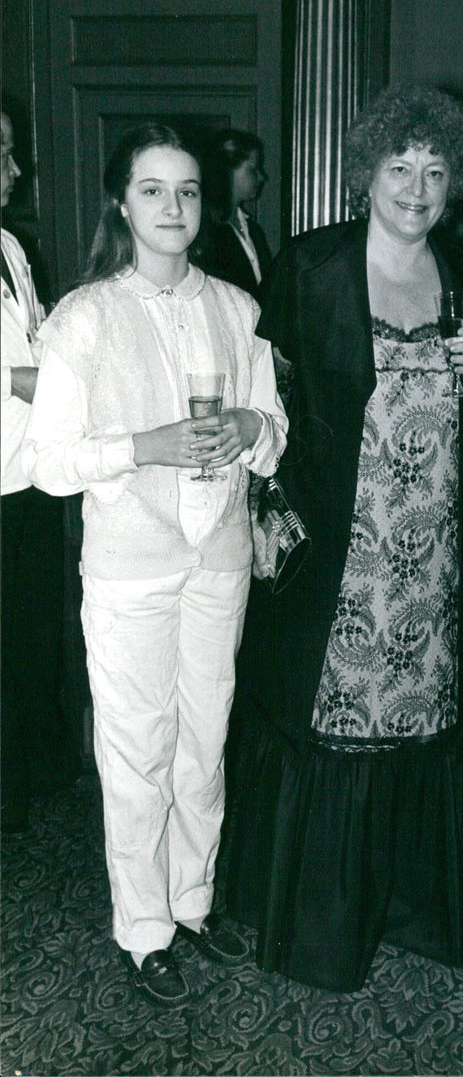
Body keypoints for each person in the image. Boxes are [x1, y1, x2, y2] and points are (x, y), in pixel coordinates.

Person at [224, 85, 463, 992]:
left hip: (437, 546)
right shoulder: (309, 267)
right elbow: (265, 403)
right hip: (338, 545)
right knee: (326, 713)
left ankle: (407, 905)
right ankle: (318, 920)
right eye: (400, 167)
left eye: (435, 170)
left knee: (421, 716)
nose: (417, 187)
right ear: (367, 173)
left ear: (455, 181)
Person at [22, 122, 288, 1009]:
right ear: (121, 202)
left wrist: (250, 429)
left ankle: (194, 901)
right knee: (137, 749)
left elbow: (274, 431)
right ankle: (143, 929)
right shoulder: (84, 316)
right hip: (130, 568)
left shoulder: (240, 309)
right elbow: (50, 461)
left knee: (205, 739)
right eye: (153, 190)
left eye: (187, 191)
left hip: (219, 558)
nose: (173, 208)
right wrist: (150, 444)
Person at [1, 109, 74, 834]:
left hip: (26, 475)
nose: (17, 170)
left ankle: (21, 777)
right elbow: (20, 374)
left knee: (24, 635)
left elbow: (39, 337)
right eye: (3, 154)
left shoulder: (10, 248)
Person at [201, 128, 272, 304]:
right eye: (253, 169)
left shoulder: (253, 230)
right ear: (227, 170)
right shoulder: (206, 230)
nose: (261, 177)